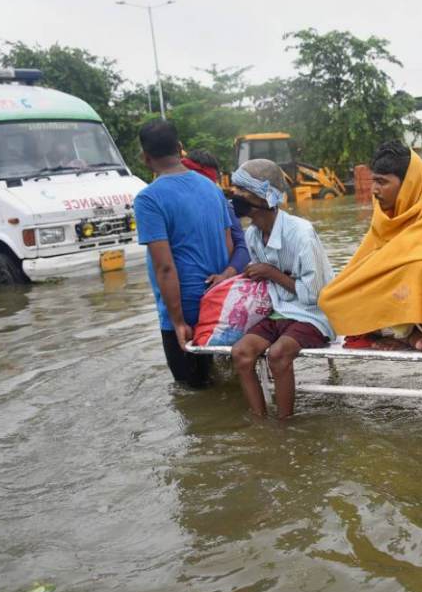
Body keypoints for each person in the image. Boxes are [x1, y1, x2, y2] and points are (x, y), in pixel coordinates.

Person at [318, 141, 422, 354]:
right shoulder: (384, 217)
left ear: (408, 183)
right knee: (329, 298)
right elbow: (367, 265)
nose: (374, 190)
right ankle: (401, 332)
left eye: (382, 182)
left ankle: (414, 331)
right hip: (398, 306)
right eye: (373, 181)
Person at [228, 159, 336, 419]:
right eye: (236, 190)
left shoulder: (301, 233)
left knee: (277, 355)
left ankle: (284, 425)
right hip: (278, 312)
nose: (236, 197)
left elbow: (314, 295)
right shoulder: (252, 235)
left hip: (313, 315)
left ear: (265, 198)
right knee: (240, 354)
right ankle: (260, 421)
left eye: (243, 191)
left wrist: (271, 273)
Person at [133, 119, 234, 388]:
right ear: (180, 148)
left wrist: (177, 321)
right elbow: (228, 246)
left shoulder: (148, 199)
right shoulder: (211, 188)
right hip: (217, 302)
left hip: (184, 308)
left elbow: (164, 267)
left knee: (190, 394)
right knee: (218, 384)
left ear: (145, 157)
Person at [180, 148, 251, 286]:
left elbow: (243, 245)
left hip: (217, 283)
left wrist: (227, 274)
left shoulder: (223, 205)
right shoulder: (174, 203)